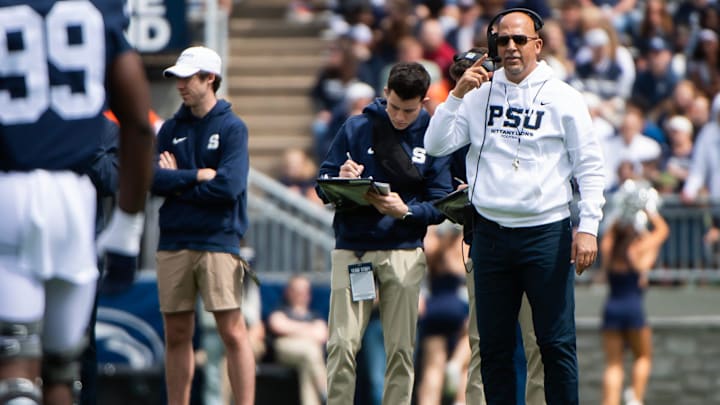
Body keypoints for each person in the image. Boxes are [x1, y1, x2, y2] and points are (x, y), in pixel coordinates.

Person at [424, 8, 606, 404]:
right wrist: (457, 94)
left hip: (546, 233)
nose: (510, 47)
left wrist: (588, 225)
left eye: (519, 40)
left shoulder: (564, 98)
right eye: (502, 40)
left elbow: (590, 167)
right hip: (490, 235)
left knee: (556, 344)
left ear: (537, 45)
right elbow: (436, 146)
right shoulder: (476, 94)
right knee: (493, 348)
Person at [0, 1, 155, 404]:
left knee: (15, 362)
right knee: (61, 370)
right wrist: (128, 228)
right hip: (73, 198)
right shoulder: (96, 9)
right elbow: (139, 123)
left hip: (8, 190)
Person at [317, 61, 453, 405]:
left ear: (423, 101)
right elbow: (323, 186)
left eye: (408, 109)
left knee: (401, 351)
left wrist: (405, 210)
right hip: (355, 250)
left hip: (404, 251)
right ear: (385, 93)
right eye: (393, 106)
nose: (400, 116)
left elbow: (441, 204)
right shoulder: (357, 127)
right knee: (342, 345)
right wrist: (342, 178)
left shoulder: (435, 134)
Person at [151, 46, 255, 405]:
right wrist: (195, 176)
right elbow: (151, 180)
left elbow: (228, 188)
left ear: (210, 78)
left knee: (232, 331)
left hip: (218, 239)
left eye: (188, 78)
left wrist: (176, 181)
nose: (180, 85)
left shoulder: (232, 127)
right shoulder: (169, 128)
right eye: (178, 78)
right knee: (176, 332)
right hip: (175, 240)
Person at [443, 48, 546, 405]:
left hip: (532, 239)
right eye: (463, 76)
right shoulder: (457, 119)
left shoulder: (515, 114)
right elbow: (438, 181)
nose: (472, 82)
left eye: (479, 74)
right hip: (482, 241)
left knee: (538, 341)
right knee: (483, 342)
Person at [599, 180, 669, 405]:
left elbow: (610, 230)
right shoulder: (639, 250)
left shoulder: (610, 247)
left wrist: (623, 209)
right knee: (643, 357)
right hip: (634, 309)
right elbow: (663, 231)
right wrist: (647, 208)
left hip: (611, 308)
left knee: (613, 365)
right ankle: (635, 399)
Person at [267, 275, 329, 405]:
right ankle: (327, 393)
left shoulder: (315, 315)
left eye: (304, 291)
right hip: (284, 350)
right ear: (289, 292)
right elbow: (277, 325)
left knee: (308, 363)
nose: (301, 295)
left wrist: (294, 329)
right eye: (297, 290)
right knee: (310, 350)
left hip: (308, 356)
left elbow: (323, 334)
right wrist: (309, 330)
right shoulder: (281, 309)